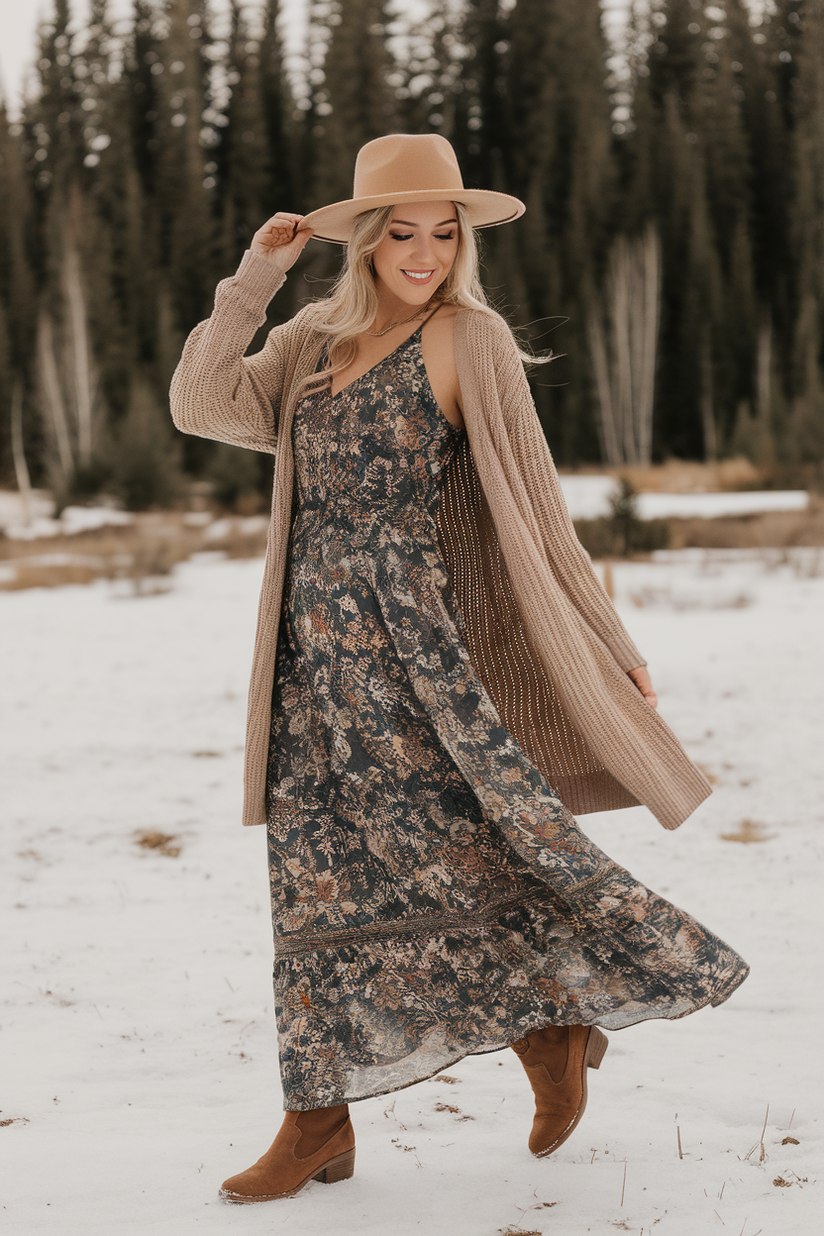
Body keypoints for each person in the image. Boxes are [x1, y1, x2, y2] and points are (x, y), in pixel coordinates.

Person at [170, 133, 748, 1204]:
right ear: (362, 242)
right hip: (308, 659)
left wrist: (610, 644)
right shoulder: (308, 340)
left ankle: (551, 1030)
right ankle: (320, 1118)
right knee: (310, 876)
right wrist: (254, 280)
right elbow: (201, 405)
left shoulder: (466, 339)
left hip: (411, 654)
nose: (425, 253)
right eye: (401, 233)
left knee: (467, 845)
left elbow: (533, 503)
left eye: (443, 234)